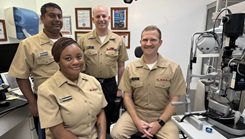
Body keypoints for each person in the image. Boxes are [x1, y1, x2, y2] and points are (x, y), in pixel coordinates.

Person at [110, 25, 187, 139]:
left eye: (153, 40)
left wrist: (159, 123)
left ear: (160, 42)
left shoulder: (173, 68)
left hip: (162, 115)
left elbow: (175, 99)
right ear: (141, 42)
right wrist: (137, 121)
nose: (148, 43)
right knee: (116, 133)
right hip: (136, 113)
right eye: (145, 40)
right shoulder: (131, 68)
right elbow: (127, 97)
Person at [8, 2, 63, 139]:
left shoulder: (68, 42)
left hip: (70, 98)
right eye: (52, 15)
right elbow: (21, 76)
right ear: (42, 19)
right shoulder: (28, 44)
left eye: (59, 16)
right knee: (48, 136)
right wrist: (32, 103)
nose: (57, 19)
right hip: (46, 102)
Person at [38, 37, 111, 139]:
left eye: (79, 57)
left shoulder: (92, 81)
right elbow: (58, 131)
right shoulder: (46, 90)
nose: (76, 62)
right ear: (58, 61)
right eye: (68, 58)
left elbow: (100, 112)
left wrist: (102, 137)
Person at [77, 5, 129, 133]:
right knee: (90, 113)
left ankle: (105, 135)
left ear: (109, 18)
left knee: (109, 114)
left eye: (104, 16)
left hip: (109, 85)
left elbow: (121, 66)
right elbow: (78, 64)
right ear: (93, 19)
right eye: (98, 16)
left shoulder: (118, 40)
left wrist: (120, 88)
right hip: (89, 83)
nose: (101, 19)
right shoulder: (83, 40)